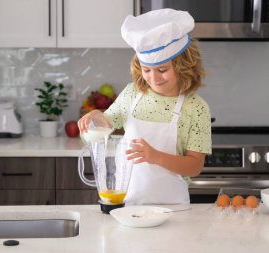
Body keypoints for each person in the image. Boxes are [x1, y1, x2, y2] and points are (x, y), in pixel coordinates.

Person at [78, 8, 211, 205]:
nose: (154, 78)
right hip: (129, 206)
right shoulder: (132, 94)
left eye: (163, 70)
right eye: (146, 70)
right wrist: (96, 116)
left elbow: (194, 166)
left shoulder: (196, 108)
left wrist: (155, 156)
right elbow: (107, 122)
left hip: (173, 209)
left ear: (184, 66)